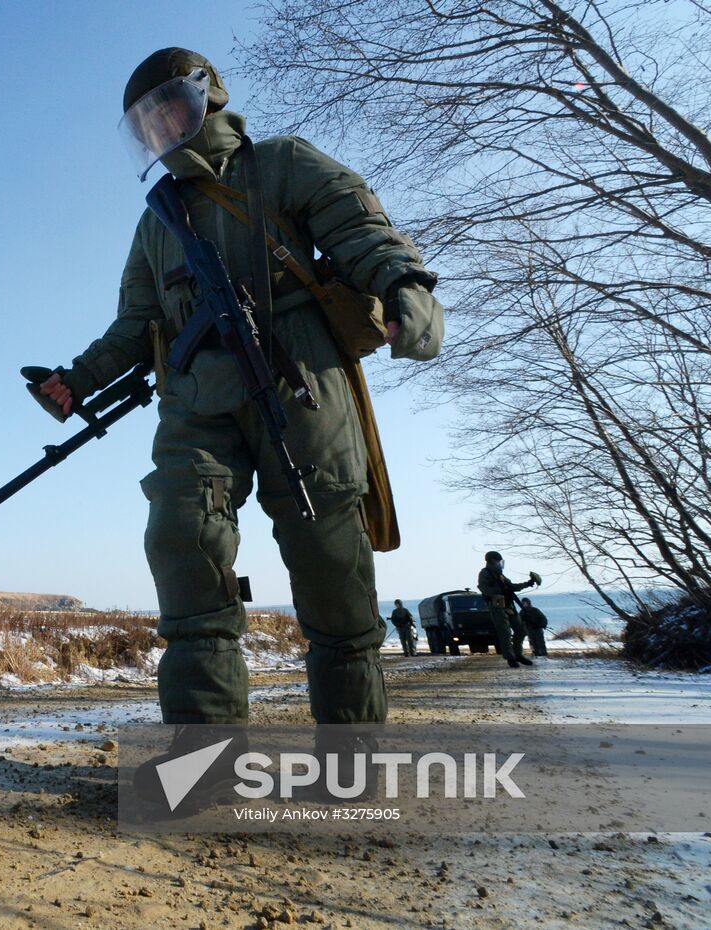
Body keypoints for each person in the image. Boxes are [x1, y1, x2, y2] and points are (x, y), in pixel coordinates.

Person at [34, 48, 443, 733]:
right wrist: (76, 381)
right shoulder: (156, 223)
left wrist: (405, 288)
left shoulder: (281, 163)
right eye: (145, 122)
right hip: (196, 399)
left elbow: (362, 231)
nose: (160, 126)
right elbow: (137, 324)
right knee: (181, 537)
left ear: (207, 98)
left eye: (168, 106)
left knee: (331, 566)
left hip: (302, 381)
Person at [476, 551, 541, 667]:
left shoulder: (500, 575)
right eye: (497, 561)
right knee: (505, 632)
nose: (499, 564)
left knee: (521, 630)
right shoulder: (485, 573)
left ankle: (518, 654)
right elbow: (485, 590)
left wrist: (528, 583)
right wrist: (500, 589)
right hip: (497, 606)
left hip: (508, 605)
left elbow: (511, 586)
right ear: (491, 561)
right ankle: (510, 657)